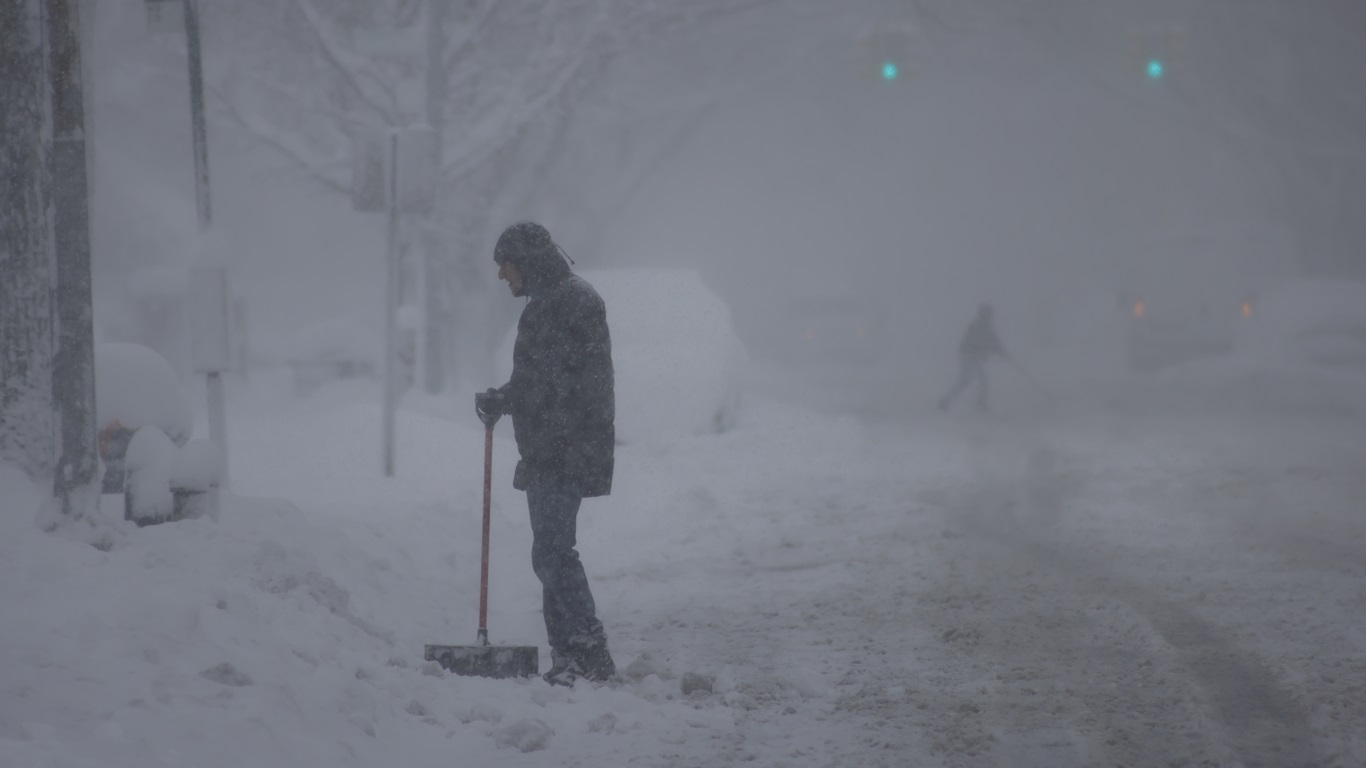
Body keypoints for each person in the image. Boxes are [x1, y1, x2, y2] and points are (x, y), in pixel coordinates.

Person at [476, 221, 617, 686]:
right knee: (550, 552)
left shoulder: (574, 302)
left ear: (528, 263)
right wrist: (505, 397)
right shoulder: (545, 305)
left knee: (553, 552)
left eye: (506, 266)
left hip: (566, 448)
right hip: (549, 448)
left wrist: (522, 402)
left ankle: (588, 651)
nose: (502, 277)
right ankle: (568, 653)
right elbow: (542, 377)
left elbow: (574, 383)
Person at [938, 304, 1007, 413]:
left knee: (975, 380)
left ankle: (977, 403)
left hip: (973, 358)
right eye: (987, 315)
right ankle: (946, 401)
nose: (989, 317)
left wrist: (1001, 352)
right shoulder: (976, 327)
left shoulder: (987, 328)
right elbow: (979, 342)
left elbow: (995, 342)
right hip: (968, 357)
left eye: (989, 315)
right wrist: (992, 349)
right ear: (983, 315)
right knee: (968, 381)